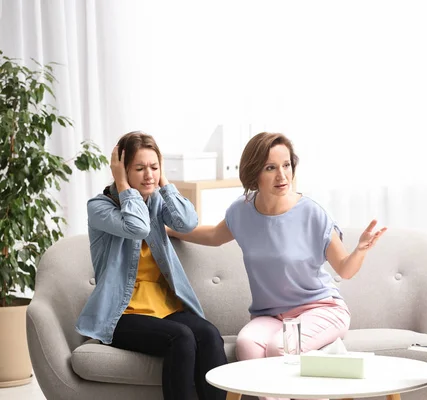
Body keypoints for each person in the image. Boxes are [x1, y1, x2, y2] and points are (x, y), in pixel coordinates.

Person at [169, 132, 386, 378]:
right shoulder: (242, 210)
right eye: (270, 168)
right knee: (247, 345)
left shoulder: (312, 213)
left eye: (286, 165)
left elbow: (345, 270)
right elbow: (213, 236)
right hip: (271, 315)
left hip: (321, 309)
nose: (282, 175)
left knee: (281, 347)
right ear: (254, 173)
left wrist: (360, 250)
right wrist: (167, 230)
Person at [76, 131, 227, 400]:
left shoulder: (156, 200)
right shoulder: (99, 208)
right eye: (140, 168)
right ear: (122, 170)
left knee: (209, 334)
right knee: (180, 338)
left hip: (165, 309)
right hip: (121, 314)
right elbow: (137, 226)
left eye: (154, 167)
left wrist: (164, 182)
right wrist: (123, 185)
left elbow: (187, 222)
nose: (149, 175)